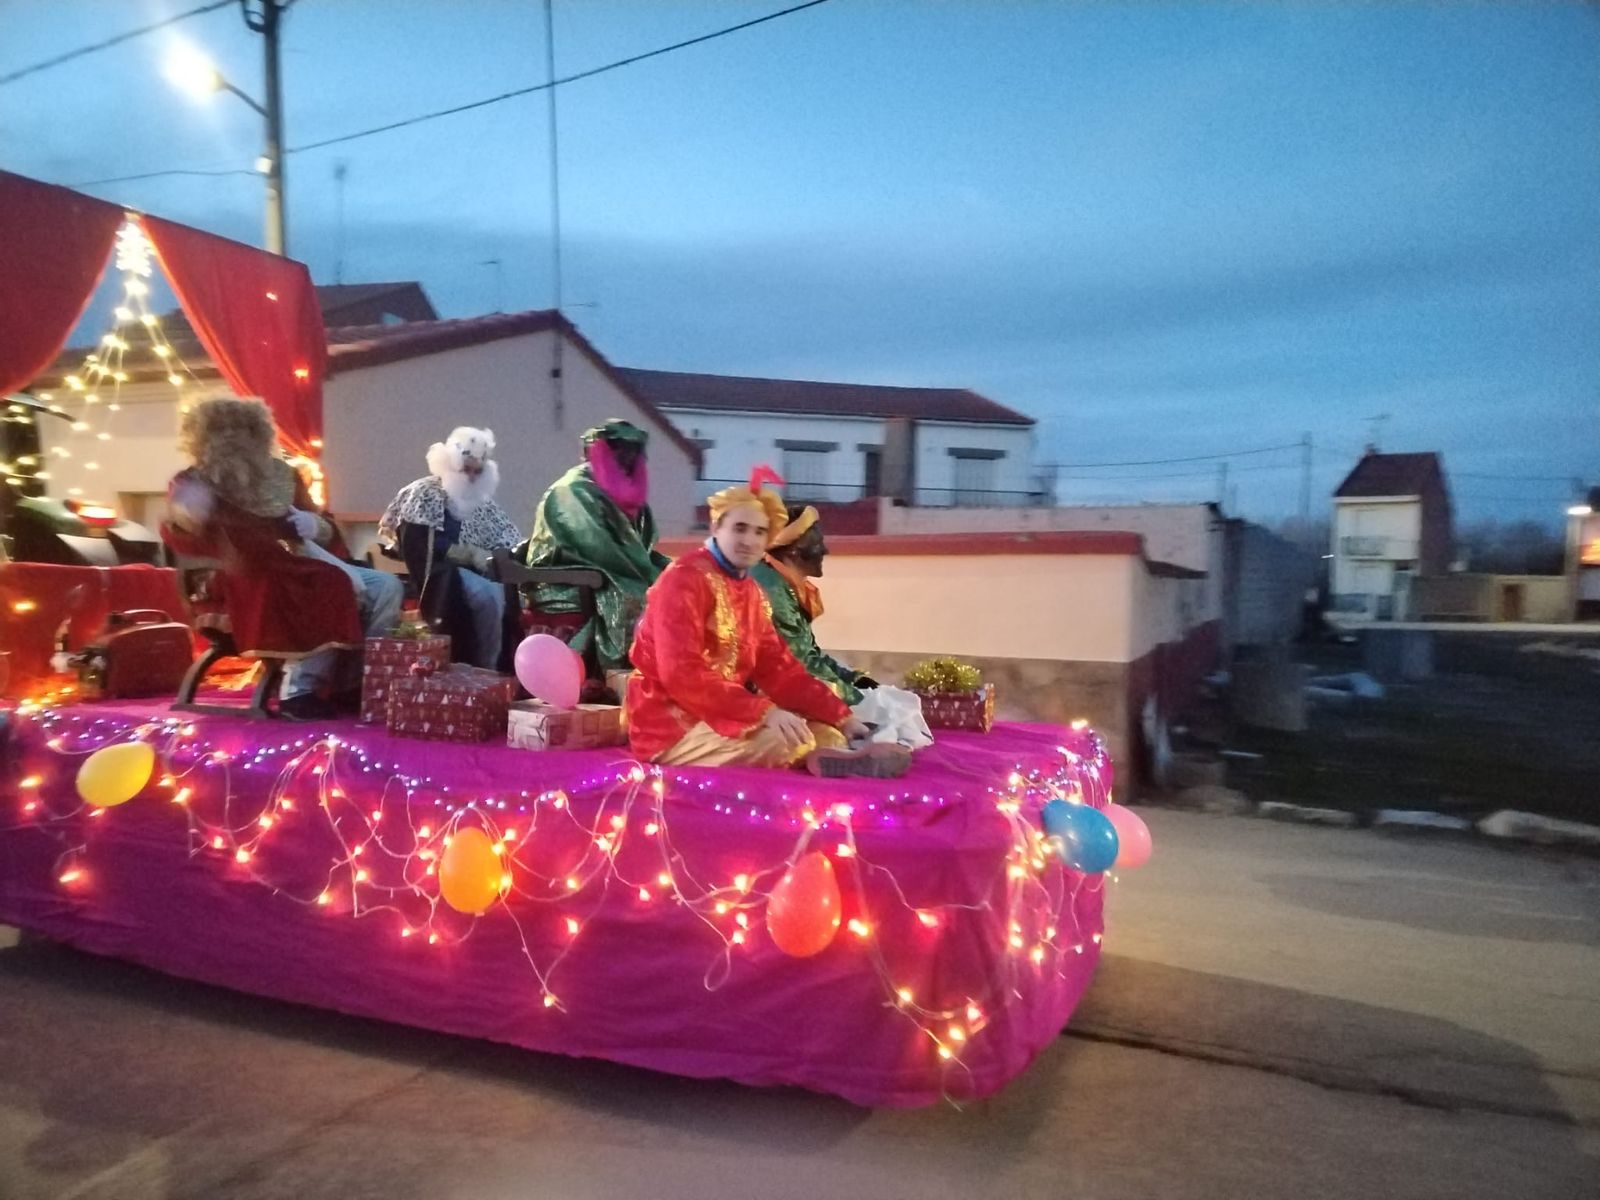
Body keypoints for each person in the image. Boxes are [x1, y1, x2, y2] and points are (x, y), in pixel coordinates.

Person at [625, 468, 908, 776]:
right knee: (791, 740)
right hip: (670, 725)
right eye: (740, 528)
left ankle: (841, 753)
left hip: (724, 713)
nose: (749, 540)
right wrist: (763, 712)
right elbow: (681, 672)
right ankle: (838, 763)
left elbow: (779, 669)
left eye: (760, 532)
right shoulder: (683, 579)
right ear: (717, 527)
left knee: (827, 734)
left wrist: (843, 717)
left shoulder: (751, 592)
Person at [160, 396, 403, 720]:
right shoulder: (191, 483)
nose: (236, 439)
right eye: (225, 431)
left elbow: (326, 530)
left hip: (302, 560)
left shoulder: (281, 478)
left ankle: (355, 682)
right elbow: (181, 529)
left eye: (246, 430)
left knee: (387, 586)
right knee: (330, 583)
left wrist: (312, 525)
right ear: (205, 437)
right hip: (241, 577)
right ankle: (299, 690)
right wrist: (189, 513)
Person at [520, 419, 668, 681]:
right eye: (620, 450)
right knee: (637, 597)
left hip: (612, 570)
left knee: (678, 587)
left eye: (634, 451)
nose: (628, 458)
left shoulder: (625, 493)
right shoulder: (573, 490)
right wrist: (656, 579)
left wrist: (674, 572)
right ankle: (619, 675)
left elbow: (641, 547)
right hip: (563, 582)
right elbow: (601, 548)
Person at [377, 427, 521, 670]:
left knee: (506, 592)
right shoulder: (423, 493)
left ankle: (498, 666)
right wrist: (462, 552)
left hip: (481, 571)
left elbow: (507, 539)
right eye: (467, 469)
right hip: (443, 573)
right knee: (489, 597)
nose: (472, 477)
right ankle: (483, 667)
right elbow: (415, 543)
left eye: (478, 471)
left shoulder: (484, 503)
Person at [753, 504, 878, 704]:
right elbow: (801, 663)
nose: (825, 551)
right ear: (794, 552)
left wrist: (852, 678)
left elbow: (810, 653)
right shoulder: (774, 591)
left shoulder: (781, 582)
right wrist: (857, 699)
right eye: (818, 544)